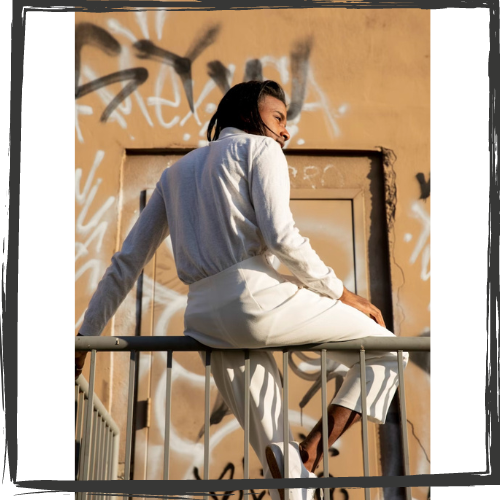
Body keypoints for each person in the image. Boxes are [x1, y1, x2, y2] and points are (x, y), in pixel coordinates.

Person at [75, 80, 408, 500]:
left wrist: (86, 337)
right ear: (251, 117)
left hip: (204, 321)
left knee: (278, 456)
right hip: (257, 301)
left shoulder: (174, 174)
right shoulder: (260, 149)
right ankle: (314, 451)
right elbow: (282, 237)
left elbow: (127, 262)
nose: (285, 131)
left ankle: (297, 475)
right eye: (278, 118)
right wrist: (343, 293)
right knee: (388, 348)